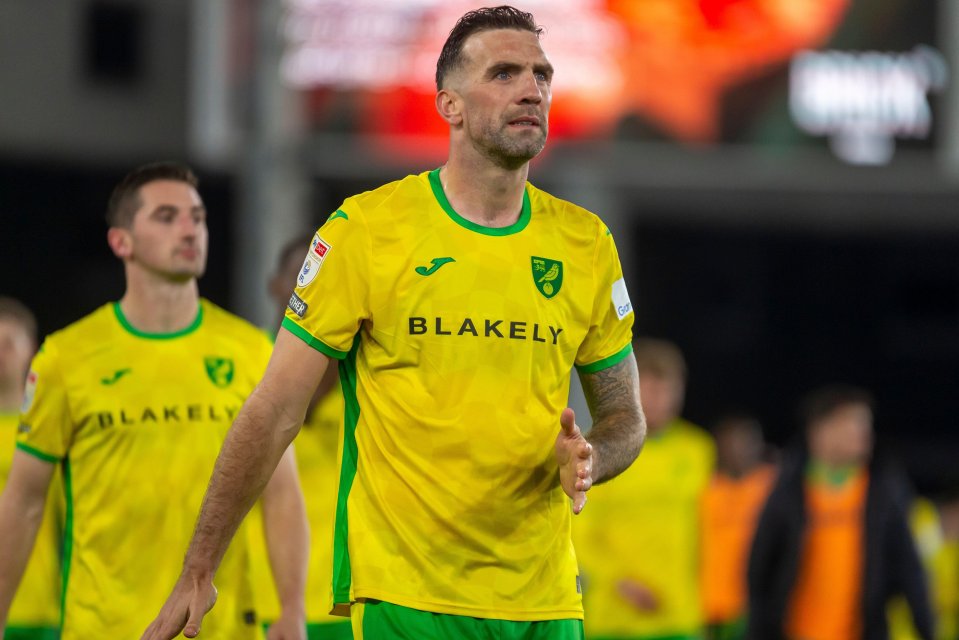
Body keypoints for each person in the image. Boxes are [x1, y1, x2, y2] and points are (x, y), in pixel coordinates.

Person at [143, 6, 646, 640]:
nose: (531, 89)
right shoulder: (367, 230)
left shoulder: (586, 243)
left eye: (541, 74)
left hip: (544, 602)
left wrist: (592, 460)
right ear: (449, 105)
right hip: (406, 597)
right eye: (504, 73)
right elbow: (273, 411)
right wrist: (199, 567)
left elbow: (625, 418)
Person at [0, 162, 309, 640]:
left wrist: (291, 609)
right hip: (103, 628)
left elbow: (282, 493)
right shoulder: (67, 358)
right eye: (167, 216)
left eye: (198, 217)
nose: (189, 229)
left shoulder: (249, 351)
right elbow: (23, 502)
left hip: (220, 629)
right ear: (121, 242)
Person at [747, 384, 933, 640]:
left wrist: (926, 629)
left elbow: (909, 567)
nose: (864, 434)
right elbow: (759, 571)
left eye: (866, 424)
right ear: (820, 431)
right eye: (853, 423)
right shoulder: (787, 490)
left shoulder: (884, 489)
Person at [573, 337, 715, 640]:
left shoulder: (699, 450)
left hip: (681, 617)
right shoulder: (602, 449)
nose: (661, 399)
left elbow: (711, 532)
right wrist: (620, 580)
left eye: (669, 389)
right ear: (632, 389)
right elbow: (580, 532)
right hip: (615, 619)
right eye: (651, 389)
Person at [248, 238, 352, 639]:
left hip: (346, 610)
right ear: (275, 285)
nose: (315, 287)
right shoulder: (240, 370)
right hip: (254, 608)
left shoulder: (371, 382)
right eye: (303, 274)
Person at [0, 298, 61, 640]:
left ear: (32, 350)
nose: (1, 354)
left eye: (9, 343)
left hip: (39, 611)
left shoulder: (48, 430)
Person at [700, 414, 776, 640]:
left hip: (754, 603)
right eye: (731, 442)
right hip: (706, 605)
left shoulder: (772, 486)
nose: (739, 449)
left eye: (747, 441)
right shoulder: (703, 486)